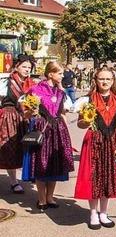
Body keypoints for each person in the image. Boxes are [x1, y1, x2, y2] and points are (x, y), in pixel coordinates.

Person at [73, 67, 116, 229]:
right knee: (93, 176)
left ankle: (104, 213)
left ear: (113, 81)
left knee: (107, 177)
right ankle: (93, 213)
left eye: (108, 79)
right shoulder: (87, 100)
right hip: (94, 141)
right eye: (101, 79)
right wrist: (85, 121)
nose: (104, 82)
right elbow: (80, 124)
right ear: (96, 81)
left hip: (112, 142)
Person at [22, 61, 74, 211]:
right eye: (59, 73)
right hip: (42, 128)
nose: (62, 75)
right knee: (41, 162)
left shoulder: (60, 92)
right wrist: (31, 113)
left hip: (58, 129)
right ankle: (41, 198)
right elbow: (26, 111)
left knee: (54, 164)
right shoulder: (36, 90)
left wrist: (66, 128)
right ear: (50, 74)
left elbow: (62, 112)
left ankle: (50, 196)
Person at [0, 55, 35, 193]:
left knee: (26, 148)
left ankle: (27, 175)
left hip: (25, 118)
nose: (27, 70)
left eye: (29, 67)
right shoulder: (6, 82)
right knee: (9, 149)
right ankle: (14, 181)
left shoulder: (31, 83)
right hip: (8, 117)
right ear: (17, 67)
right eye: (24, 67)